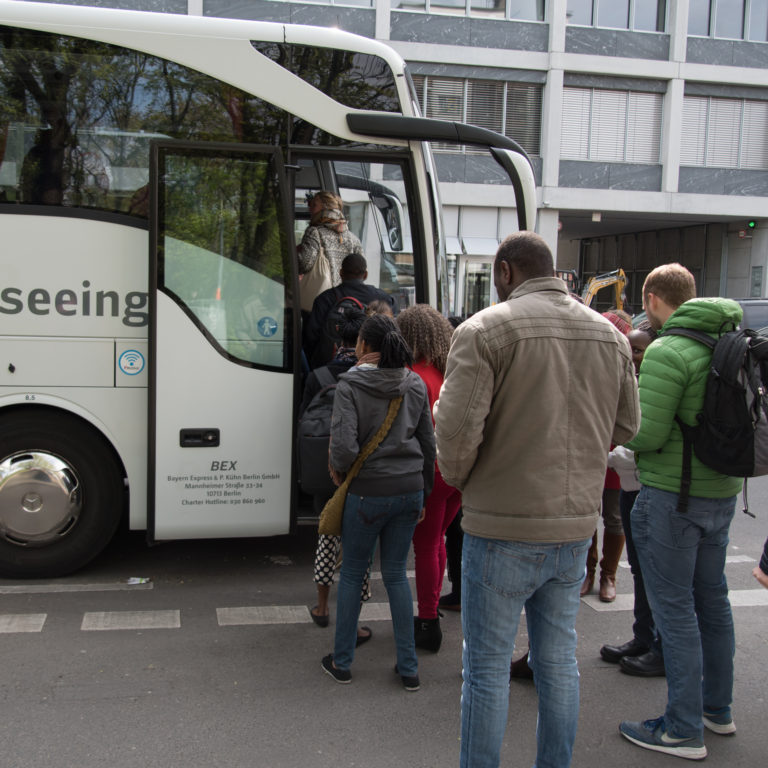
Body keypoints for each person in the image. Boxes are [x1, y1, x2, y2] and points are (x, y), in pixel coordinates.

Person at [434, 231, 639, 768]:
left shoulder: (484, 331)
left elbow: (455, 438)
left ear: (504, 271)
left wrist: (460, 480)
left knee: (485, 669)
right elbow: (626, 424)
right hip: (573, 529)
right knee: (558, 664)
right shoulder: (609, 335)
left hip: (500, 527)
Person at [618, 263, 742, 760]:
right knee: (714, 602)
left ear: (650, 299)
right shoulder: (733, 342)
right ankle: (718, 710)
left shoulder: (670, 350)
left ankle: (682, 728)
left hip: (673, 496)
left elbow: (645, 435)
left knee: (675, 611)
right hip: (724, 493)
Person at [321, 314, 435, 691]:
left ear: (364, 347)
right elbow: (427, 443)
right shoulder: (415, 382)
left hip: (368, 490)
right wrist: (424, 490)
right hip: (409, 489)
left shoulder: (350, 385)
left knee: (353, 575)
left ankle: (342, 662)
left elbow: (344, 447)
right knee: (398, 576)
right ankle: (408, 667)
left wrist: (340, 471)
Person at [300, 307, 372, 646]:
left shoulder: (317, 376)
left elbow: (303, 421)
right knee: (358, 551)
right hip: (361, 470)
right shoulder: (370, 376)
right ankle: (354, 622)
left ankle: (323, 606)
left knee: (326, 537)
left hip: (324, 470)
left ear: (336, 337)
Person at [600, 320, 665, 677]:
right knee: (640, 570)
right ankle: (643, 637)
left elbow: (641, 439)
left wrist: (608, 454)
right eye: (630, 347)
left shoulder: (655, 386)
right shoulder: (632, 381)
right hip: (629, 485)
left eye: (637, 348)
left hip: (646, 486)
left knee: (654, 572)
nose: (632, 354)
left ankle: (658, 645)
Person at [396, 304, 461, 652]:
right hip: (454, 473)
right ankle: (431, 610)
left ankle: (427, 621)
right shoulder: (447, 371)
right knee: (437, 542)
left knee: (425, 547)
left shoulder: (413, 377)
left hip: (429, 472)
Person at [581, 310, 633, 603]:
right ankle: (587, 571)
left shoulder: (626, 364)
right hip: (590, 450)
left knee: (614, 518)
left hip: (615, 451)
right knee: (588, 516)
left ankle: (608, 575)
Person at [303, 253, 394, 369]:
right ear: (365, 275)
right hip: (372, 368)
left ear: (341, 273)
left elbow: (311, 338)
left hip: (329, 368)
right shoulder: (383, 298)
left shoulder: (324, 299)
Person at [298, 190, 363, 292]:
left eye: (313, 205)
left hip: (322, 299)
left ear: (326, 208)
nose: (310, 209)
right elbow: (360, 272)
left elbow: (305, 264)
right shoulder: (354, 239)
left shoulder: (314, 232)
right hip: (346, 298)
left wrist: (295, 252)